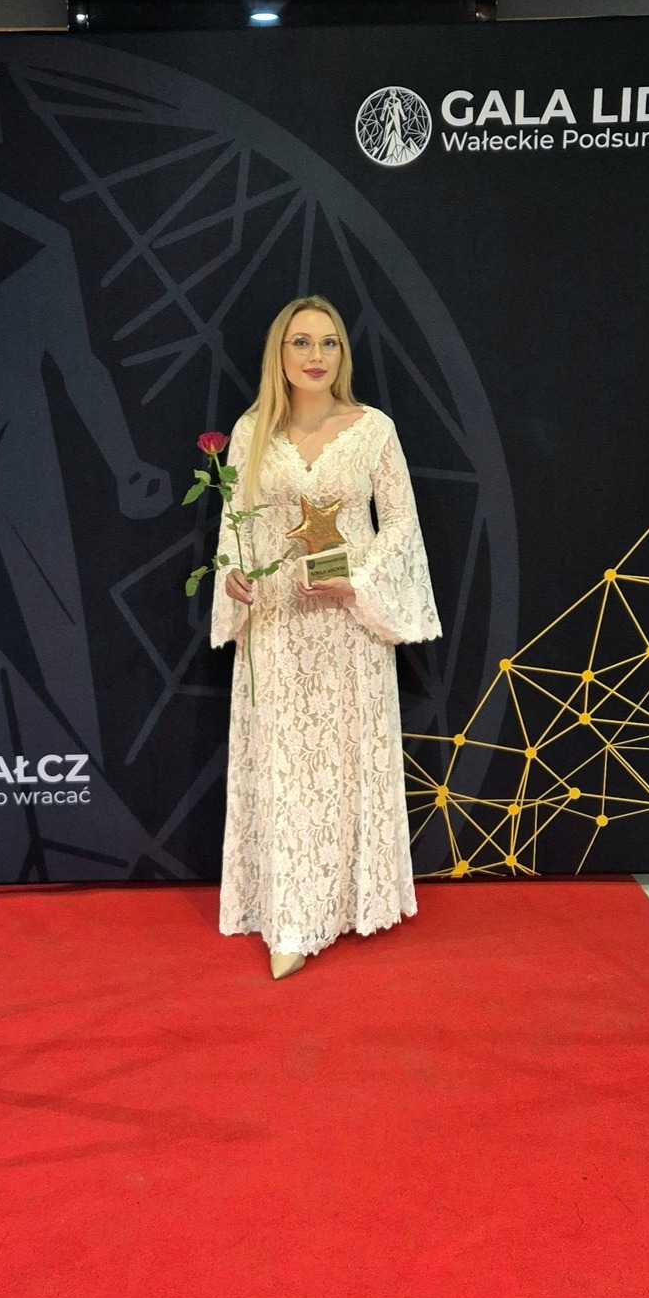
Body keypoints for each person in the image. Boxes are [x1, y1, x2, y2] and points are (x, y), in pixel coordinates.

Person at [211, 295, 441, 978]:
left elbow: (400, 525)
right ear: (278, 354)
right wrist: (232, 574)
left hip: (349, 630)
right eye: (301, 342)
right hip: (278, 629)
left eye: (328, 342)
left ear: (343, 353)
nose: (315, 356)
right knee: (285, 768)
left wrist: (356, 582)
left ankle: (347, 901)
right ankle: (289, 916)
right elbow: (235, 523)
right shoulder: (251, 430)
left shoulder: (373, 430)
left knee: (344, 765)